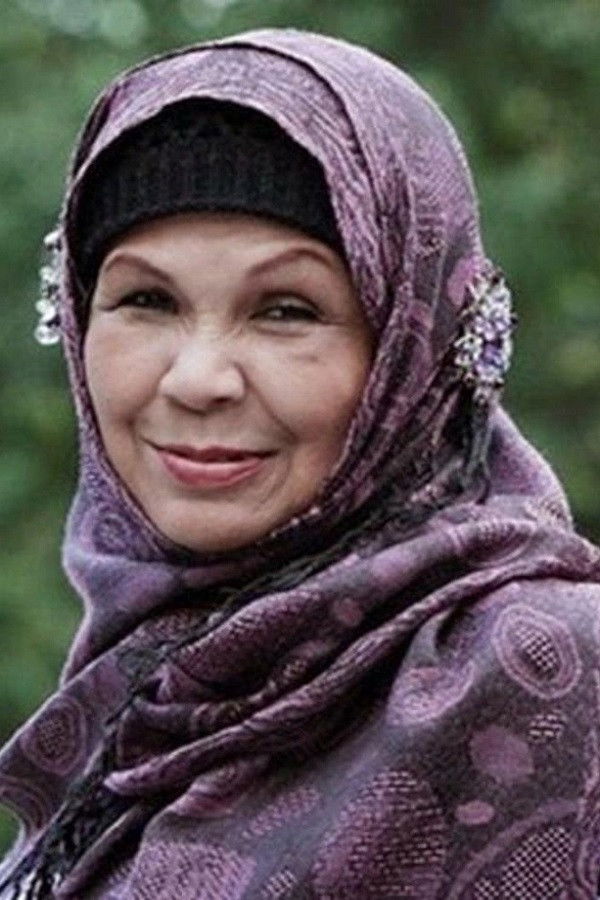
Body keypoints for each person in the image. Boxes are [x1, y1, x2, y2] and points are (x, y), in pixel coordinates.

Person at [1, 27, 599, 899]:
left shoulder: (545, 673)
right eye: (147, 299)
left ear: (413, 350)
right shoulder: (133, 699)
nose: (197, 379)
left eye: (285, 310)